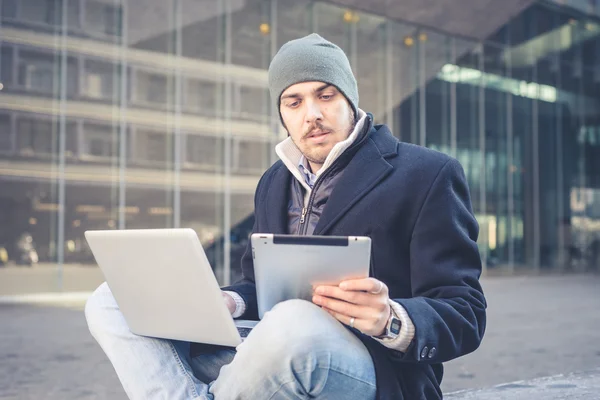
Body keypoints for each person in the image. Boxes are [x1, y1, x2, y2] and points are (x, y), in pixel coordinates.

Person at [85, 33, 486, 400]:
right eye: (293, 102)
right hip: (263, 352)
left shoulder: (427, 173)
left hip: (373, 370)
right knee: (111, 298)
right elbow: (259, 286)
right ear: (282, 113)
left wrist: (390, 319)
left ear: (350, 99)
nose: (311, 114)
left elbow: (465, 311)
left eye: (325, 96)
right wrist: (229, 302)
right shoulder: (274, 182)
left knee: (295, 318)